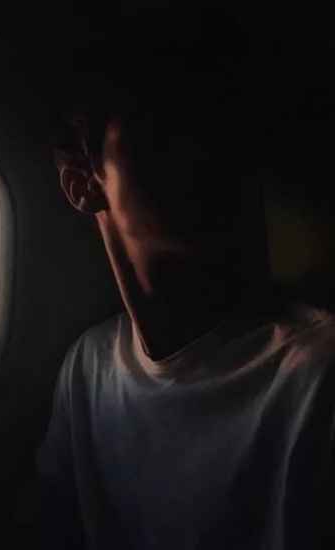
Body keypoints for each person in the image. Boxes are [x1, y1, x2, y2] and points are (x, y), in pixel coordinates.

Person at [36, 18, 335, 550]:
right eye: (159, 134)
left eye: (218, 131)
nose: (203, 156)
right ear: (83, 184)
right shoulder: (87, 370)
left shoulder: (316, 376)